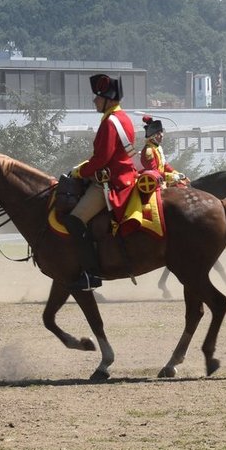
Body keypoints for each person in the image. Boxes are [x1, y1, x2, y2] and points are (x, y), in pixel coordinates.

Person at [65, 74, 137, 291]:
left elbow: (102, 158)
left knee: (75, 221)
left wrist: (80, 171)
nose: (94, 101)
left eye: (98, 97)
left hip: (111, 181)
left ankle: (89, 274)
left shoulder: (109, 123)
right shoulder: (122, 118)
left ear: (108, 99)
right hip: (123, 176)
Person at [139, 115, 187, 188]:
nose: (162, 135)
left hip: (161, 178)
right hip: (154, 181)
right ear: (152, 136)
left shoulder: (157, 148)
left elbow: (164, 165)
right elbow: (153, 172)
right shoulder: (149, 150)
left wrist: (176, 173)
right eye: (158, 133)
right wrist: (170, 176)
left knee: (183, 185)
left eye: (161, 132)